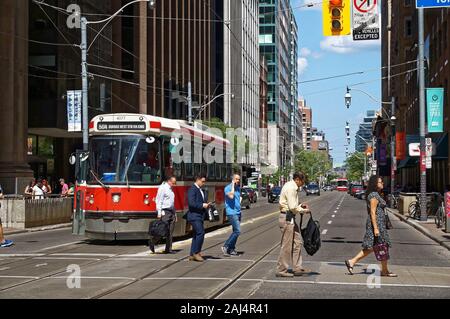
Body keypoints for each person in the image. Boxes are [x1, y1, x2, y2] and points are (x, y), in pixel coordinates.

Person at [345, 175, 398, 277]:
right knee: (377, 246)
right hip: (376, 224)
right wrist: (376, 228)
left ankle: (383, 270)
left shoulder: (377, 194)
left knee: (378, 246)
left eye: (382, 182)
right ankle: (353, 261)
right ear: (375, 184)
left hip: (379, 224)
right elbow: (373, 212)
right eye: (380, 182)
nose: (382, 183)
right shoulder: (373, 195)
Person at [276, 172, 311, 278]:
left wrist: (300, 205)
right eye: (302, 181)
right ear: (297, 179)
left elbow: (293, 204)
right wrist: (305, 210)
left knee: (297, 242)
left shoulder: (290, 186)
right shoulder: (291, 188)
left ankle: (297, 267)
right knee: (287, 246)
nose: (303, 184)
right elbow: (292, 207)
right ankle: (281, 270)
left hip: (290, 218)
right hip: (287, 219)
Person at [149, 176, 177, 254]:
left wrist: (175, 214)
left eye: (175, 183)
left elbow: (172, 203)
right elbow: (159, 200)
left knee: (170, 232)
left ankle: (168, 249)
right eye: (173, 183)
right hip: (165, 212)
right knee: (162, 231)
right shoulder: (162, 188)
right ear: (169, 181)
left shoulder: (171, 190)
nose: (174, 185)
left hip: (171, 212)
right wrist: (159, 212)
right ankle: (153, 241)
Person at [187, 175, 211, 262]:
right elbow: (191, 203)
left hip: (199, 215)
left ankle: (192, 254)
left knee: (196, 234)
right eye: (202, 181)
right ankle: (196, 253)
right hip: (194, 216)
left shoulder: (199, 189)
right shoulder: (192, 189)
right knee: (201, 233)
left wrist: (206, 204)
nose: (204, 183)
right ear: (197, 180)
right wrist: (202, 205)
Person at [222, 174, 242, 257]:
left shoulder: (238, 188)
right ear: (233, 179)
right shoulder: (227, 188)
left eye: (239, 179)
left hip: (238, 212)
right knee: (238, 231)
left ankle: (231, 249)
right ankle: (226, 246)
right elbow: (231, 196)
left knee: (235, 231)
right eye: (236, 179)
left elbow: (238, 198)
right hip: (231, 212)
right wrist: (233, 186)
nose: (238, 181)